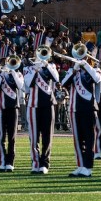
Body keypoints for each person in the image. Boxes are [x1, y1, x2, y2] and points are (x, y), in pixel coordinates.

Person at [62, 45, 101, 177]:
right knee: (78, 139)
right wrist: (74, 70)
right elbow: (64, 83)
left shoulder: (95, 70)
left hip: (88, 108)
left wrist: (86, 65)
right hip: (74, 108)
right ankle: (80, 165)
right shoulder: (73, 71)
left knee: (89, 138)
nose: (80, 57)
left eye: (84, 55)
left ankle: (88, 167)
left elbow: (97, 79)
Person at [23, 46, 60, 174]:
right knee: (33, 137)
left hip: (48, 104)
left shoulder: (51, 67)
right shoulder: (27, 68)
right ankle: (35, 162)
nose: (41, 55)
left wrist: (46, 65)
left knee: (47, 135)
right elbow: (28, 84)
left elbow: (56, 78)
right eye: (39, 52)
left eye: (44, 53)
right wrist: (36, 68)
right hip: (33, 105)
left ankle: (45, 163)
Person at [0, 51, 24, 172]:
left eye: (7, 60)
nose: (5, 63)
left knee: (12, 137)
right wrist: (1, 75)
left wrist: (12, 72)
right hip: (0, 108)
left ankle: (10, 162)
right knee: (1, 137)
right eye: (3, 60)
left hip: (13, 108)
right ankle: (2, 162)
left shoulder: (18, 74)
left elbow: (20, 86)